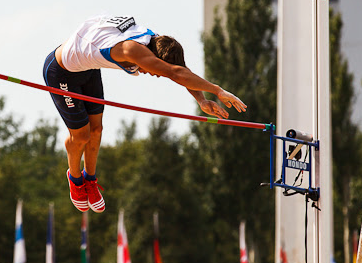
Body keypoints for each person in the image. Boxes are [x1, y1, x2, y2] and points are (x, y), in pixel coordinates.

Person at [43, 15, 246, 213]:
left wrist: (201, 100)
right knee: (81, 136)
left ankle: (90, 180)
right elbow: (175, 73)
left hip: (87, 67)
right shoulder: (132, 50)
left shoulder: (156, 41)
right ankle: (76, 180)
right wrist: (218, 90)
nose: (153, 74)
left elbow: (179, 69)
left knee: (96, 131)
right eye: (156, 70)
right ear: (153, 58)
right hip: (62, 72)